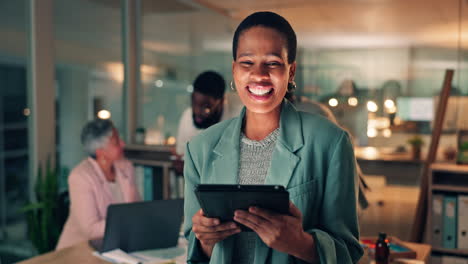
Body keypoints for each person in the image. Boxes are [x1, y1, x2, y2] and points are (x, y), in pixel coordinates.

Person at [183, 11, 363, 264]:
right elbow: (195, 252)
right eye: (247, 63)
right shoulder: (200, 148)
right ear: (234, 70)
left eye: (273, 63)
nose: (259, 74)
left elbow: (348, 253)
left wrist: (300, 243)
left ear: (291, 72)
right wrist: (205, 241)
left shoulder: (330, 143)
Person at [56, 119, 141, 250]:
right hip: (80, 250)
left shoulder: (126, 167)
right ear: (101, 152)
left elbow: (137, 207)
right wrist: (128, 221)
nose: (123, 144)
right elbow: (90, 230)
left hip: (116, 247)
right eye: (117, 142)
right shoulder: (80, 177)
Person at [175, 71, 241, 156]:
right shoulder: (187, 118)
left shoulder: (240, 111)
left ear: (221, 101)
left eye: (206, 107)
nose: (197, 112)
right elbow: (182, 156)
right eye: (194, 103)